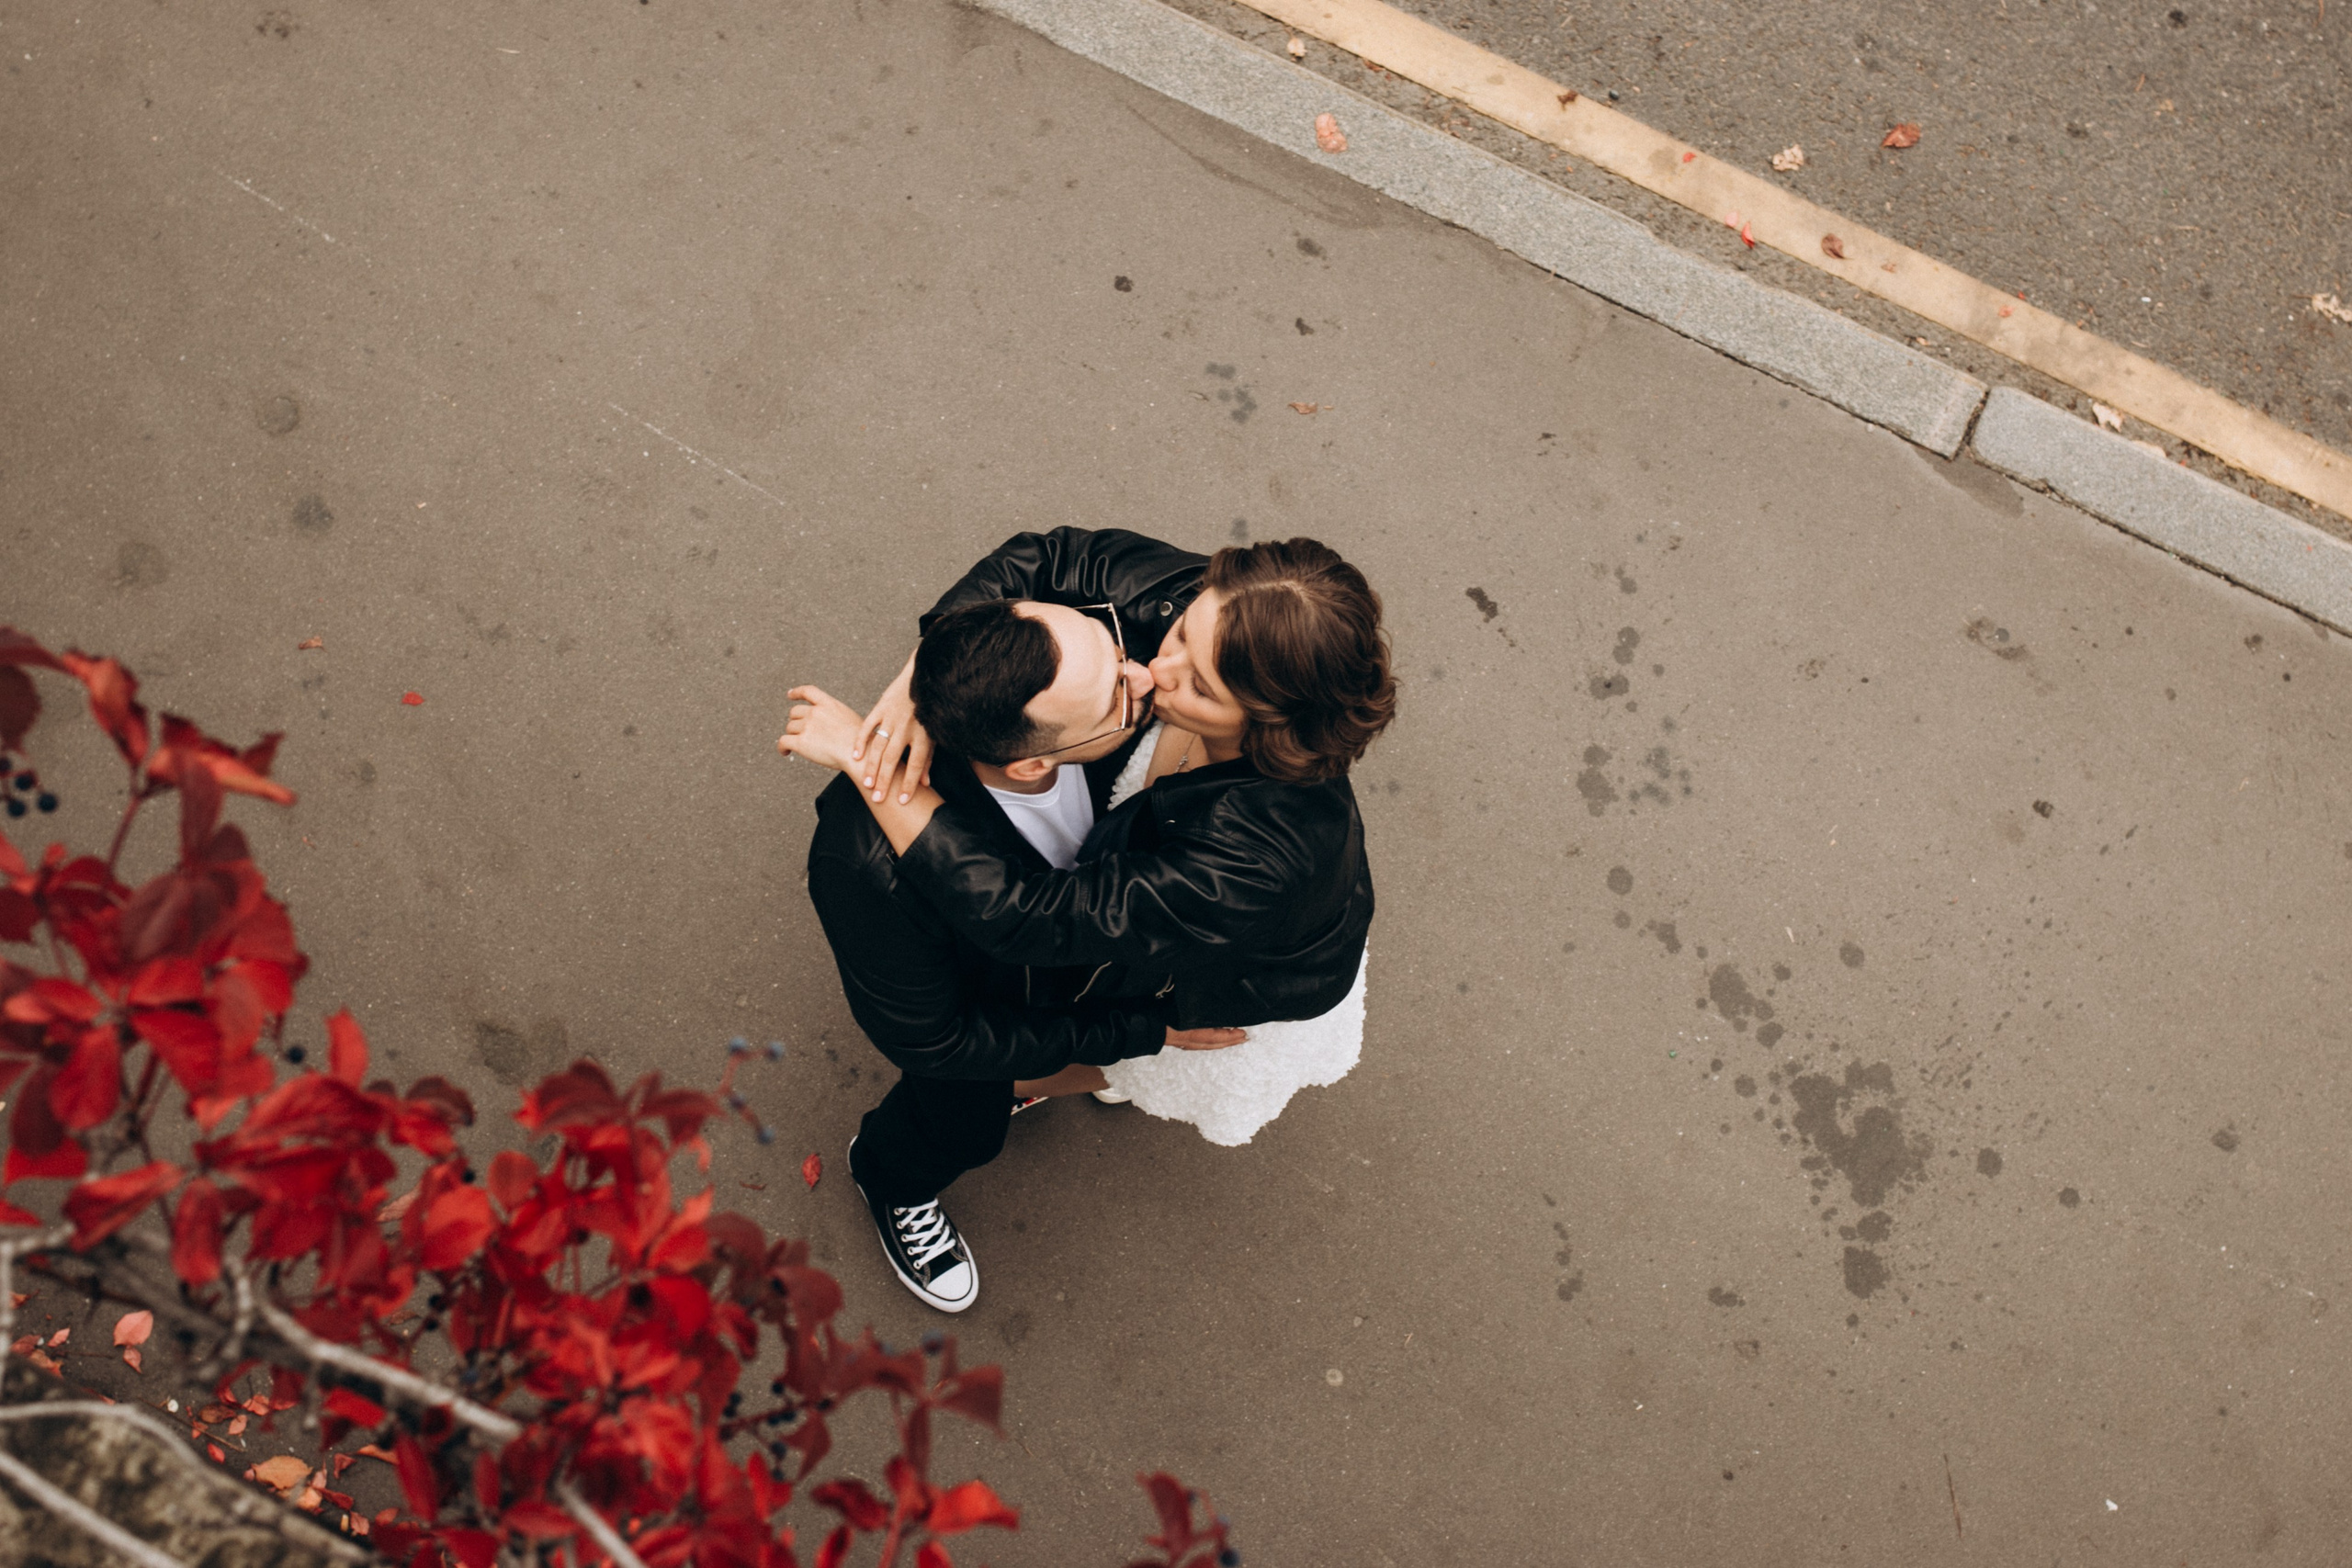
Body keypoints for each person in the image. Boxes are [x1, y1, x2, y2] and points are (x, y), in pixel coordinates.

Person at [783, 526, 1396, 1151]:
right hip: (1160, 922)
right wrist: (925, 676)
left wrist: (869, 767)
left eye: (1202, 687)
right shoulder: (1238, 618)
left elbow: (1028, 914)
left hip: (1233, 972)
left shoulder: (1252, 859)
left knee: (1118, 1058)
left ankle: (1064, 1079)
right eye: (1183, 628)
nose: (1156, 667)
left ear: (1267, 725)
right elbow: (1051, 559)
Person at [790, 531, 1247, 1314]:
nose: (1144, 674)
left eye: (1114, 649)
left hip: (1073, 958)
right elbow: (941, 1041)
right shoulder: (866, 868)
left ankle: (1040, 1077)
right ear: (1033, 762)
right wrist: (1137, 1032)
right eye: (1116, 696)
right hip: (984, 1010)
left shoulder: (1094, 667)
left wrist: (916, 667)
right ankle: (890, 1178)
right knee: (960, 1120)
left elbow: (1054, 551)